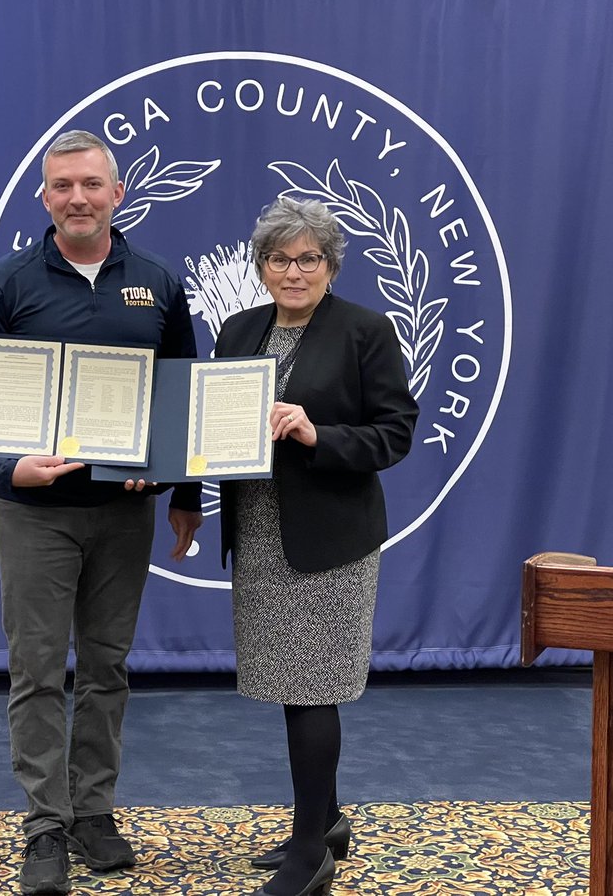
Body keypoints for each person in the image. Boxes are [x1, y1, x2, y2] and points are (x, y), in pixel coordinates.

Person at [0, 130, 203, 896]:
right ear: (45, 197)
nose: (78, 198)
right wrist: (8, 464)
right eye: (62, 186)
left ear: (118, 193)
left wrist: (180, 490)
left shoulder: (157, 282)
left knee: (106, 668)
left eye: (92, 184)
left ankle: (94, 812)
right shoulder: (6, 283)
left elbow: (181, 394)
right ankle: (44, 827)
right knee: (35, 670)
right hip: (36, 513)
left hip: (122, 515)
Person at [214, 198, 418, 896]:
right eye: (278, 258)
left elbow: (395, 433)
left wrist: (317, 434)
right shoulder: (238, 332)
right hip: (261, 534)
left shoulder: (366, 330)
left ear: (331, 266)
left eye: (308, 258)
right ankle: (326, 820)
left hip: (332, 541)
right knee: (288, 686)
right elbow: (213, 425)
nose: (292, 271)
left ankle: (311, 856)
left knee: (311, 690)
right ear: (261, 266)